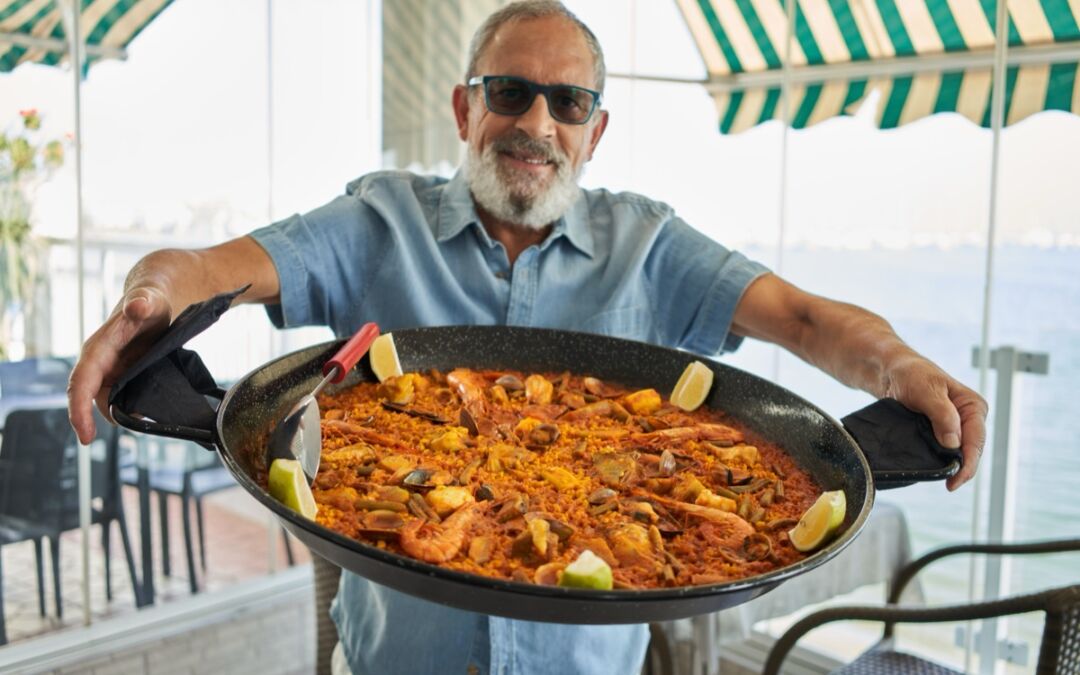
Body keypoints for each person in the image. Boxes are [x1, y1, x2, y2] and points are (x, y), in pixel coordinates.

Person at [67, 2, 988, 673]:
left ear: (595, 131)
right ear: (466, 111)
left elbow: (806, 318)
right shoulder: (378, 218)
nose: (537, 123)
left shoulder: (652, 245)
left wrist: (901, 365)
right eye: (510, 92)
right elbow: (217, 265)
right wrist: (152, 297)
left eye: (568, 103)